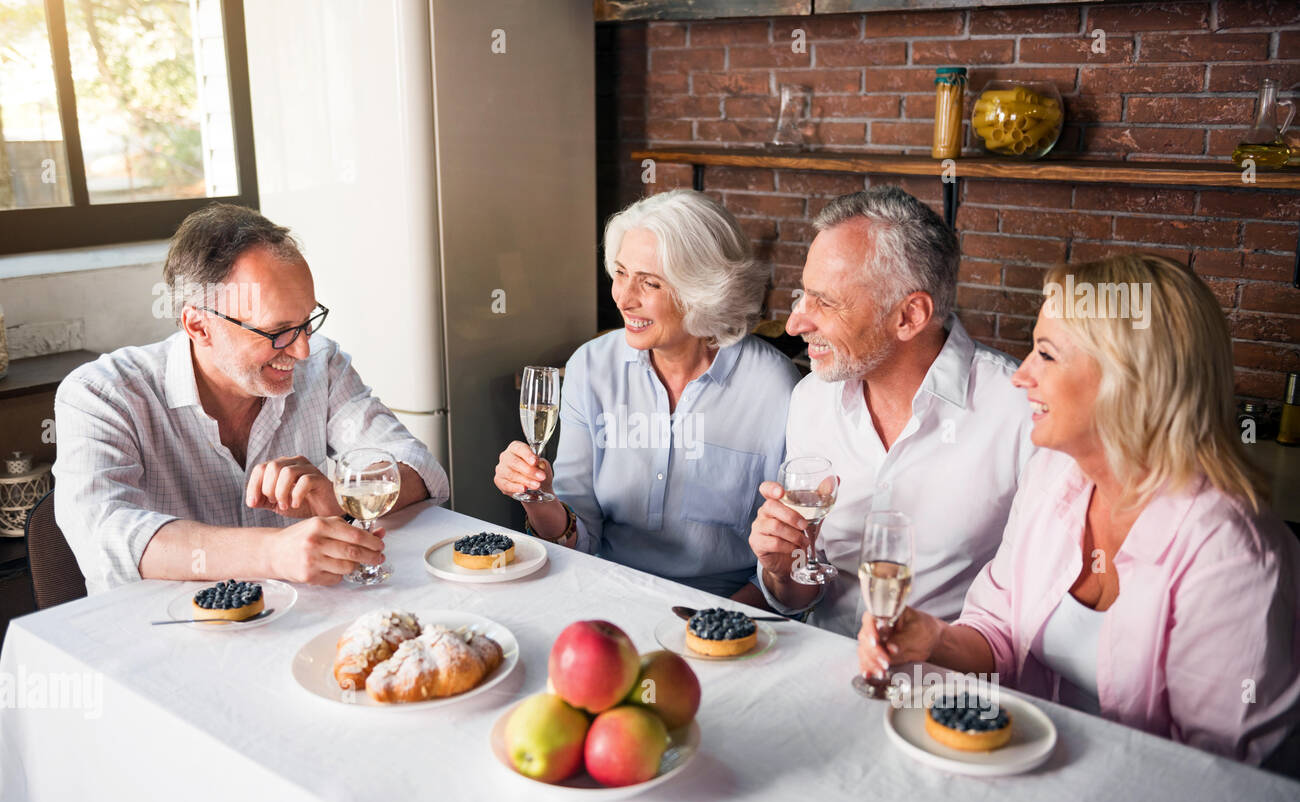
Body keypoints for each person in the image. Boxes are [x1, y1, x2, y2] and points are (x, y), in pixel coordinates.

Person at [859, 253, 1300, 767]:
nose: (1020, 375)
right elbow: (998, 634)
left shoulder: (1230, 550)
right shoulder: (1054, 475)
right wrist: (932, 638)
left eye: (1046, 354)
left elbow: (1219, 775)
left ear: (1129, 379)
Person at [53, 203, 449, 593]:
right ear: (199, 325)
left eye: (307, 321)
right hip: (173, 639)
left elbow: (420, 469)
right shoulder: (102, 395)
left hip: (300, 628)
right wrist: (273, 553)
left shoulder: (321, 366)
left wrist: (339, 496)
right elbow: (105, 534)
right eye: (278, 332)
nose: (302, 351)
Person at [749, 186, 1033, 636]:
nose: (795, 323)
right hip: (822, 662)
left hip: (944, 684)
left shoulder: (1021, 413)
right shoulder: (811, 400)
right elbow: (803, 592)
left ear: (909, 316)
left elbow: (1035, 605)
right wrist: (785, 570)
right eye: (803, 296)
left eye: (826, 302)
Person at [493, 189, 801, 600]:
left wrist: (710, 624)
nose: (623, 297)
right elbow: (577, 535)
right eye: (620, 273)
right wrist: (538, 498)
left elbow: (787, 563)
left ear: (703, 291)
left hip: (728, 612)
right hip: (609, 596)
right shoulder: (591, 367)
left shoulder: (774, 387)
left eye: (649, 282)